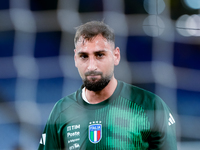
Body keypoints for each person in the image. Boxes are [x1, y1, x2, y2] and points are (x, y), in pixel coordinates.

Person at [38, 21, 177, 150]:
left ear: (116, 56)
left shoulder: (150, 105)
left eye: (99, 55)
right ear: (75, 59)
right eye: (84, 56)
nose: (91, 66)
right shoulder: (61, 111)